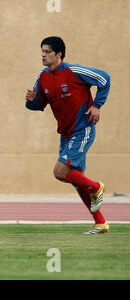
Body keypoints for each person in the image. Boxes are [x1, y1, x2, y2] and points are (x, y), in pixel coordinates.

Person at [25, 36, 111, 234]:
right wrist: (31, 101)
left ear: (59, 54)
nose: (43, 55)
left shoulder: (75, 71)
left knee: (60, 172)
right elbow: (38, 104)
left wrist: (97, 106)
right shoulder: (43, 76)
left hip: (82, 129)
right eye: (42, 51)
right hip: (65, 134)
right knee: (74, 178)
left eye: (47, 52)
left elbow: (105, 78)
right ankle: (100, 223)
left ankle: (97, 187)